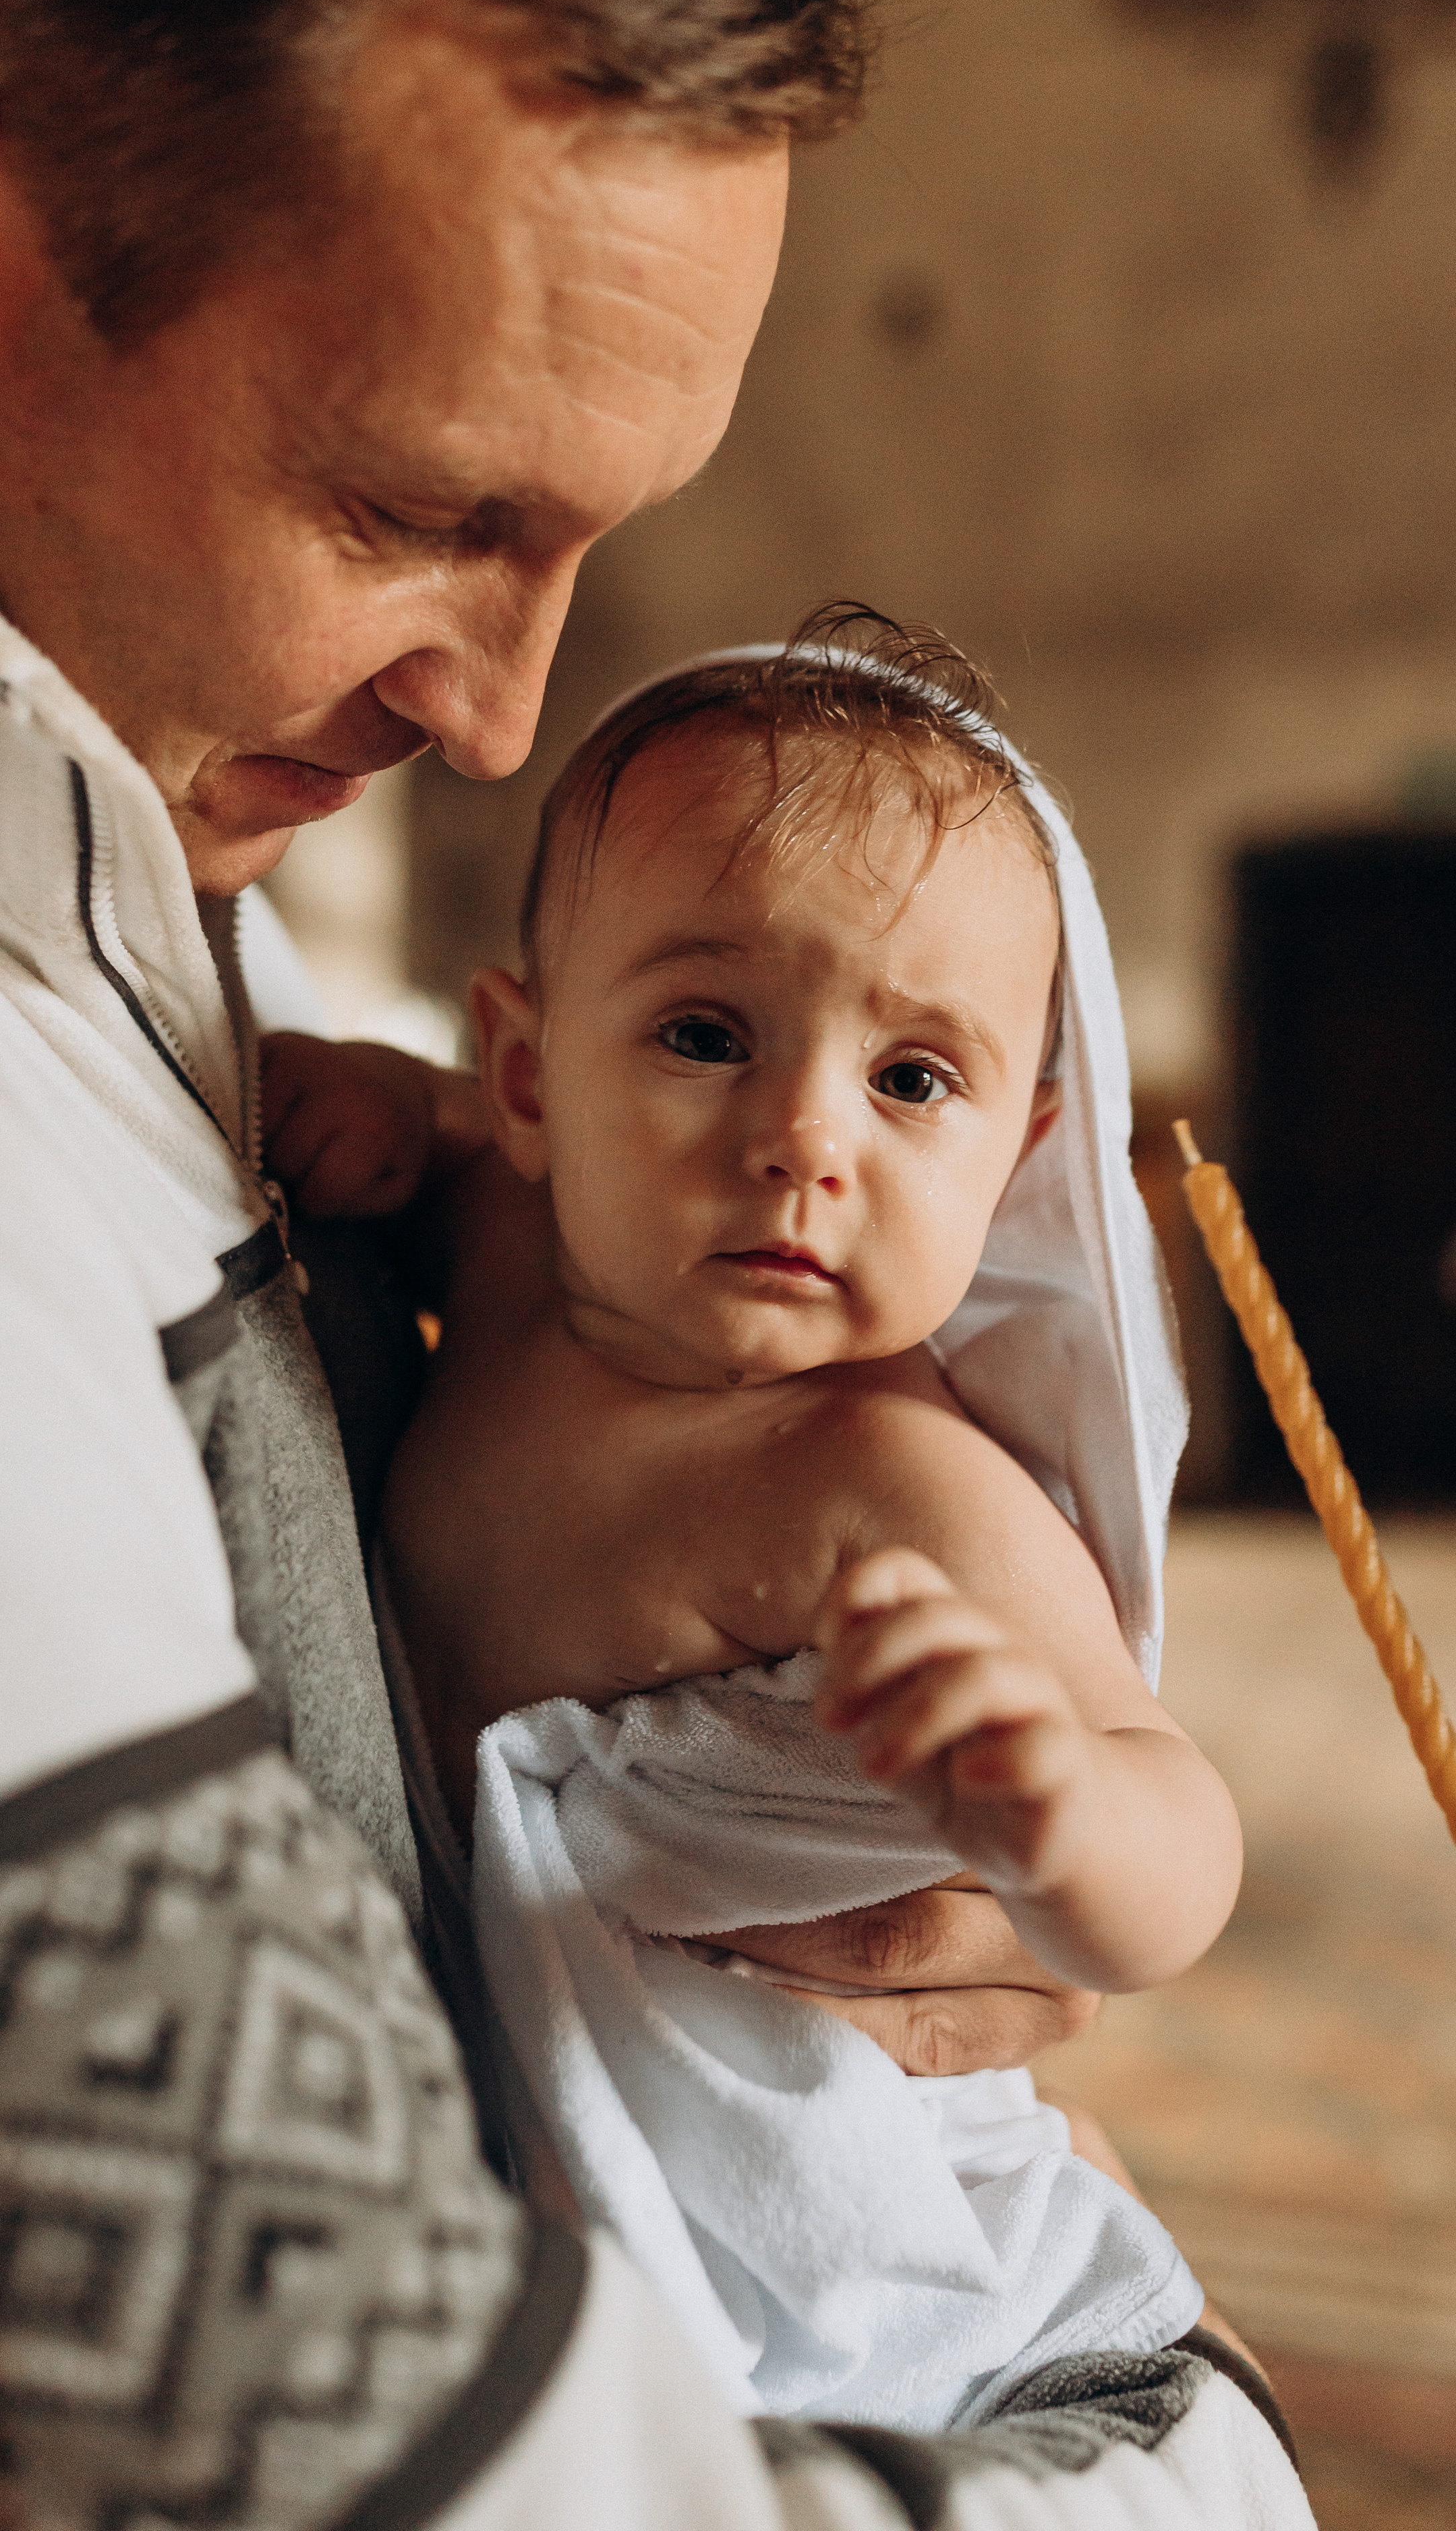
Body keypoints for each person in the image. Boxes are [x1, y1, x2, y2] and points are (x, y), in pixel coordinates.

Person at [0, 0, 1308, 2519]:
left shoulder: (101, 849)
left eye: (590, 544)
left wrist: (1047, 1836)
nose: (494, 717)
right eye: (419, 508)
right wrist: (1197, 2444)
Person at [355, 616, 1233, 2426]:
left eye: (914, 1079)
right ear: (530, 1078)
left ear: (1015, 1160)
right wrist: (347, 1094)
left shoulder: (889, 1485)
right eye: (706, 1036)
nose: (805, 1139)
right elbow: (436, 1137)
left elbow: (1182, 1832)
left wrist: (1061, 1812)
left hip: (793, 2195)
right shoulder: (507, 1244)